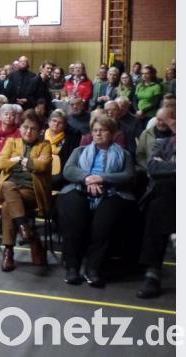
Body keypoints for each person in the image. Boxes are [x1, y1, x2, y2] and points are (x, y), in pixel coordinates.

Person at [57, 115, 136, 287]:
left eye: (103, 130)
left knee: (103, 227)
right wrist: (87, 178)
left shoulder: (124, 154)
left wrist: (101, 178)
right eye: (95, 130)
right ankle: (72, 267)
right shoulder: (79, 151)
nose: (98, 133)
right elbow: (68, 171)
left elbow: (128, 175)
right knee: (73, 222)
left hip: (111, 192)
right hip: (80, 188)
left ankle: (93, 269)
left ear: (113, 133)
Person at [0, 110, 52, 271]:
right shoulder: (12, 142)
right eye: (25, 127)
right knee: (7, 186)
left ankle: (8, 252)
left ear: (39, 130)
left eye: (33, 128)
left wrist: (18, 159)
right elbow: (1, 163)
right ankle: (26, 229)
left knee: (7, 206)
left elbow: (43, 165)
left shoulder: (44, 145)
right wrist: (29, 162)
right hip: (7, 188)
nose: (28, 131)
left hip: (31, 191)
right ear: (20, 128)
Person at [136, 112, 176, 298]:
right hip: (167, 199)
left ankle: (153, 272)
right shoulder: (162, 143)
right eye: (174, 121)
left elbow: (161, 169)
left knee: (163, 190)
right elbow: (153, 168)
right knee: (163, 191)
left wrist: (167, 167)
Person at [44, 110, 81, 189]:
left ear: (64, 126)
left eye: (60, 122)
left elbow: (69, 161)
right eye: (54, 121)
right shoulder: (41, 135)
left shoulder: (70, 139)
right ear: (49, 121)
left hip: (60, 172)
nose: (56, 124)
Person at [136, 107, 174, 173]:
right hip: (152, 175)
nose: (161, 123)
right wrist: (149, 167)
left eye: (164, 120)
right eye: (159, 120)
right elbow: (140, 155)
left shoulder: (174, 135)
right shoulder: (146, 134)